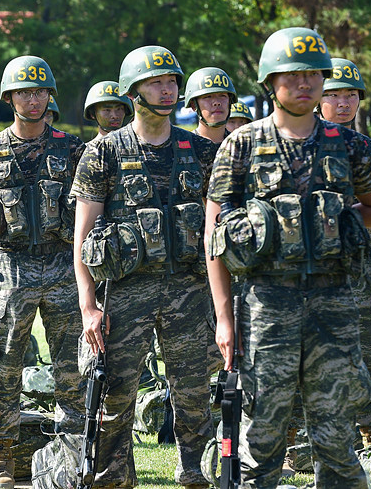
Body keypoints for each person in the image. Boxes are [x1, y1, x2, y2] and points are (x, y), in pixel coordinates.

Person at [205, 27, 371, 488]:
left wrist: (342, 224)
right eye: (292, 75)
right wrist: (225, 319)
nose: (304, 84)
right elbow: (215, 238)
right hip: (267, 305)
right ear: (270, 81)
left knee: (336, 433)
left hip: (336, 306)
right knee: (263, 430)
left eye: (313, 75)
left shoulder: (351, 146)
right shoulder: (241, 145)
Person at [73, 45, 216, 488]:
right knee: (116, 396)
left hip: (190, 292)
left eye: (173, 82)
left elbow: (216, 232)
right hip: (125, 293)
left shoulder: (200, 150)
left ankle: (196, 472)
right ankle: (115, 477)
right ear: (134, 91)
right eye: (157, 82)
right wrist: (88, 307)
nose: (168, 89)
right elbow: (82, 237)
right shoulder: (104, 152)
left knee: (194, 394)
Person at [0, 55, 85, 489]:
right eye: (24, 92)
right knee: (5, 367)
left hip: (64, 266)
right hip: (10, 270)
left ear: (49, 96)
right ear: (9, 98)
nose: (33, 99)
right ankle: (1, 461)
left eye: (40, 91)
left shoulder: (72, 147)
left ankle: (73, 457)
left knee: (73, 368)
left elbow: (90, 212)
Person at [318, 57, 371, 446]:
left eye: (350, 94)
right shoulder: (301, 146)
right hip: (312, 270)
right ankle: (302, 444)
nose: (343, 102)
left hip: (362, 269)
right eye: (333, 94)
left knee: (369, 355)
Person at [184, 67, 236, 143]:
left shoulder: (241, 146)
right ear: (194, 105)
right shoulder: (183, 146)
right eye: (208, 97)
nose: (217, 102)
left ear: (230, 101)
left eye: (222, 96)